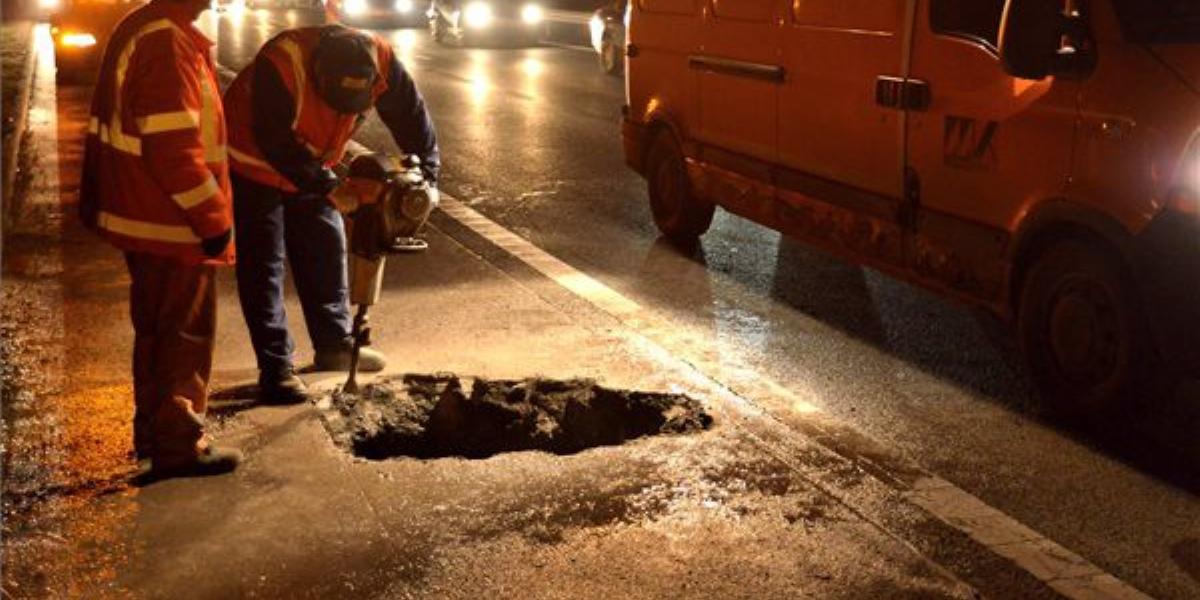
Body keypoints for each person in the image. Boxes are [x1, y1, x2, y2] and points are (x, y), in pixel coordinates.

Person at [224, 24, 439, 405]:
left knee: (326, 244)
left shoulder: (382, 61)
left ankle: (334, 344)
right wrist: (330, 187)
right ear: (320, 74)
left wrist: (429, 176)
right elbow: (275, 141)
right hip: (254, 160)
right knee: (264, 263)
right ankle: (275, 369)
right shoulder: (282, 64)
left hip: (314, 161)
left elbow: (410, 114)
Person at [79, 0, 241, 477]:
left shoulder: (146, 27)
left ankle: (152, 431)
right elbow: (173, 146)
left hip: (144, 215)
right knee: (183, 334)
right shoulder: (167, 42)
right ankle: (177, 444)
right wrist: (213, 220)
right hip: (172, 222)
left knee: (155, 331)